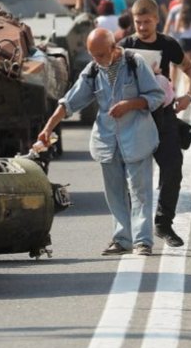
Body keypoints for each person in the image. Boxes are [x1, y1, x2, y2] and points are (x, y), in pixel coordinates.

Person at [39, 28, 165, 256]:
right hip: (107, 141)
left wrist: (130, 104)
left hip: (137, 138)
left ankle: (143, 241)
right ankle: (122, 239)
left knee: (140, 192)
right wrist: (48, 128)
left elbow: (156, 96)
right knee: (114, 193)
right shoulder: (93, 71)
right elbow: (69, 102)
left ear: (113, 48)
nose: (96, 59)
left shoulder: (135, 63)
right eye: (92, 54)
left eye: (100, 54)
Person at [120, 0, 191, 247]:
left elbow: (189, 69)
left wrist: (188, 95)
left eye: (146, 22)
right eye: (138, 22)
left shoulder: (168, 44)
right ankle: (135, 229)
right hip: (135, 117)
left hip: (163, 116)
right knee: (134, 176)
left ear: (156, 20)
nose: (142, 27)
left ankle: (164, 225)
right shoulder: (125, 46)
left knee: (173, 169)